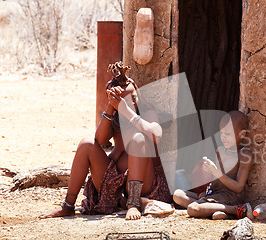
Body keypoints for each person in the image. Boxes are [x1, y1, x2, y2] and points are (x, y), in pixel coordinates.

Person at [39, 62, 172, 221]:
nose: (134, 102)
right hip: (118, 183)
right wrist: (111, 108)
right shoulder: (115, 117)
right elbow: (100, 140)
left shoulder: (147, 113)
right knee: (86, 143)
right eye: (128, 100)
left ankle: (133, 203)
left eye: (134, 97)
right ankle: (68, 206)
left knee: (139, 139)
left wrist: (127, 111)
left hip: (146, 183)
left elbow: (156, 135)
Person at [173, 111, 254, 220]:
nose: (223, 137)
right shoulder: (220, 151)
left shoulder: (244, 154)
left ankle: (237, 209)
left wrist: (216, 172)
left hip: (230, 198)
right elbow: (215, 181)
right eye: (221, 133)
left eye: (228, 134)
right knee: (177, 195)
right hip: (214, 195)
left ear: (242, 134)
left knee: (192, 209)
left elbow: (238, 188)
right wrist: (207, 191)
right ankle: (218, 211)